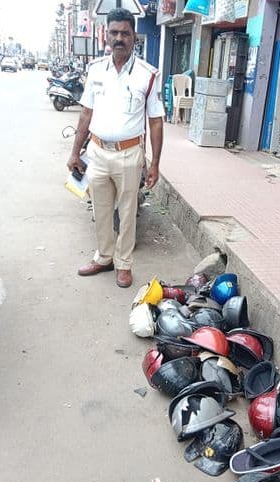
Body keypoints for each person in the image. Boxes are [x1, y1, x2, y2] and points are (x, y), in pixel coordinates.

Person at [66, 7, 164, 289]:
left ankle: (124, 264)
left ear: (134, 37)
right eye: (114, 32)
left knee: (128, 210)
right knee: (101, 209)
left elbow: (155, 122)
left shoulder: (147, 75)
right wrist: (75, 152)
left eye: (125, 33)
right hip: (96, 152)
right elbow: (86, 113)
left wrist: (155, 163)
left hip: (129, 154)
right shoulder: (95, 70)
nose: (119, 38)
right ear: (105, 34)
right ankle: (104, 257)